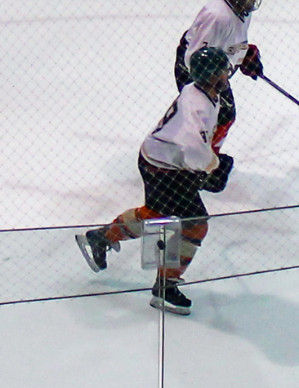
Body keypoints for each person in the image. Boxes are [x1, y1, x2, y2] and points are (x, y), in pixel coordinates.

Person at [75, 46, 236, 314]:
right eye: (221, 72)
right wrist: (213, 166)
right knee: (194, 224)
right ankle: (165, 288)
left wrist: (208, 163)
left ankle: (102, 237)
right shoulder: (199, 106)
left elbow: (192, 148)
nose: (225, 76)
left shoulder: (199, 91)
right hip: (163, 167)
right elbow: (194, 151)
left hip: (161, 160)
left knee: (161, 216)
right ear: (210, 76)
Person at [174, 0, 263, 153]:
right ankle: (197, 160)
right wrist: (213, 80)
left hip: (213, 69)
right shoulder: (217, 17)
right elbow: (195, 57)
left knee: (222, 116)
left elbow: (231, 41)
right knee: (212, 116)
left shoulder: (242, 11)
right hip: (194, 71)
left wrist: (242, 55)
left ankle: (203, 157)